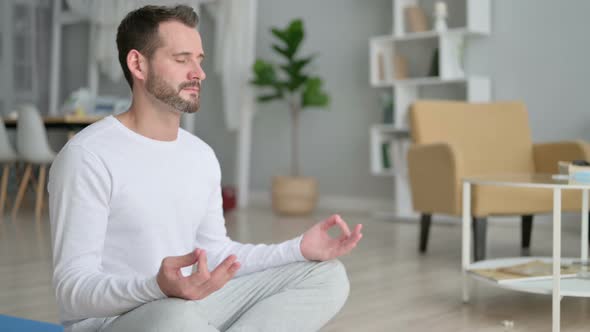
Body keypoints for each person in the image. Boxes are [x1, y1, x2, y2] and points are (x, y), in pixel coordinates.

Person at [48, 4, 363, 332]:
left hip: (188, 306)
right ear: (137, 64)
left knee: (326, 275)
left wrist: (296, 249)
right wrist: (156, 287)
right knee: (176, 315)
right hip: (121, 321)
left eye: (199, 60)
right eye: (182, 59)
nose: (198, 73)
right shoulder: (88, 156)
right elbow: (73, 293)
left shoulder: (200, 155)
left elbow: (216, 253)